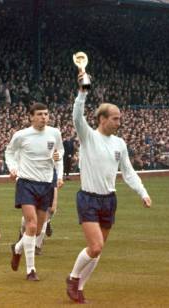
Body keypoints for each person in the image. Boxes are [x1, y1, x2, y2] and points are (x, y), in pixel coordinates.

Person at [65, 72, 152, 304]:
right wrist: (83, 92)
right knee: (95, 246)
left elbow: (128, 171)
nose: (119, 122)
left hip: (109, 200)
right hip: (88, 198)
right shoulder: (88, 137)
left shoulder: (120, 144)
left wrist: (142, 192)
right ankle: (72, 278)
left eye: (119, 118)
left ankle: (80, 288)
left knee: (98, 250)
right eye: (115, 118)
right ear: (102, 119)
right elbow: (76, 117)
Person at [6, 102, 64, 281]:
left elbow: (59, 152)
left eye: (46, 114)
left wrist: (59, 165)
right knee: (31, 225)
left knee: (38, 230)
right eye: (39, 114)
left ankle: (17, 248)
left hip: (46, 184)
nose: (43, 117)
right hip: (26, 184)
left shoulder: (55, 133)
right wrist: (13, 168)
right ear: (31, 116)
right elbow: (9, 152)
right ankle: (30, 270)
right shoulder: (21, 135)